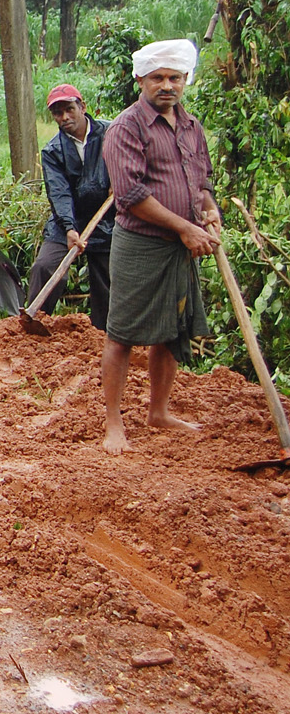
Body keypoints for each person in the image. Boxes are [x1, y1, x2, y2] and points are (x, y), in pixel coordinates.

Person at [99, 40, 219, 456]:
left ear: (185, 81)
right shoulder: (125, 128)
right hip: (141, 245)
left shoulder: (191, 126)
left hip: (181, 245)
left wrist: (210, 211)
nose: (166, 86)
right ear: (140, 80)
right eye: (158, 78)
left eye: (174, 78)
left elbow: (201, 181)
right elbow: (130, 194)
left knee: (170, 331)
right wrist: (186, 227)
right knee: (122, 334)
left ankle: (159, 412)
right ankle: (114, 422)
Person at [28, 84, 113, 329]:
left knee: (107, 279)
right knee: (44, 267)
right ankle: (33, 325)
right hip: (66, 220)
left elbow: (129, 161)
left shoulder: (111, 133)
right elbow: (58, 192)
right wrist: (68, 227)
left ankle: (104, 336)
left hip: (105, 218)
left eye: (69, 109)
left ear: (82, 107)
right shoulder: (53, 151)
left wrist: (120, 182)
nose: (64, 117)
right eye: (57, 113)